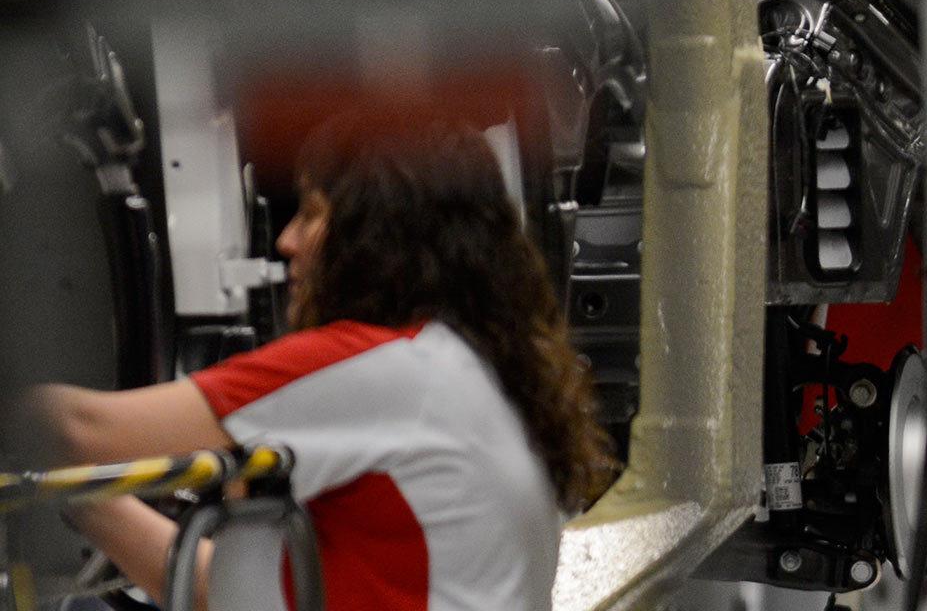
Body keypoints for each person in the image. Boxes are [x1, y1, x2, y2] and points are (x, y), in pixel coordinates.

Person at [29, 107, 614, 610]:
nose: (285, 241)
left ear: (374, 233)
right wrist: (86, 505)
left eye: (309, 214)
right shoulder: (476, 377)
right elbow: (221, 595)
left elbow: (82, 430)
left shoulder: (382, 371)